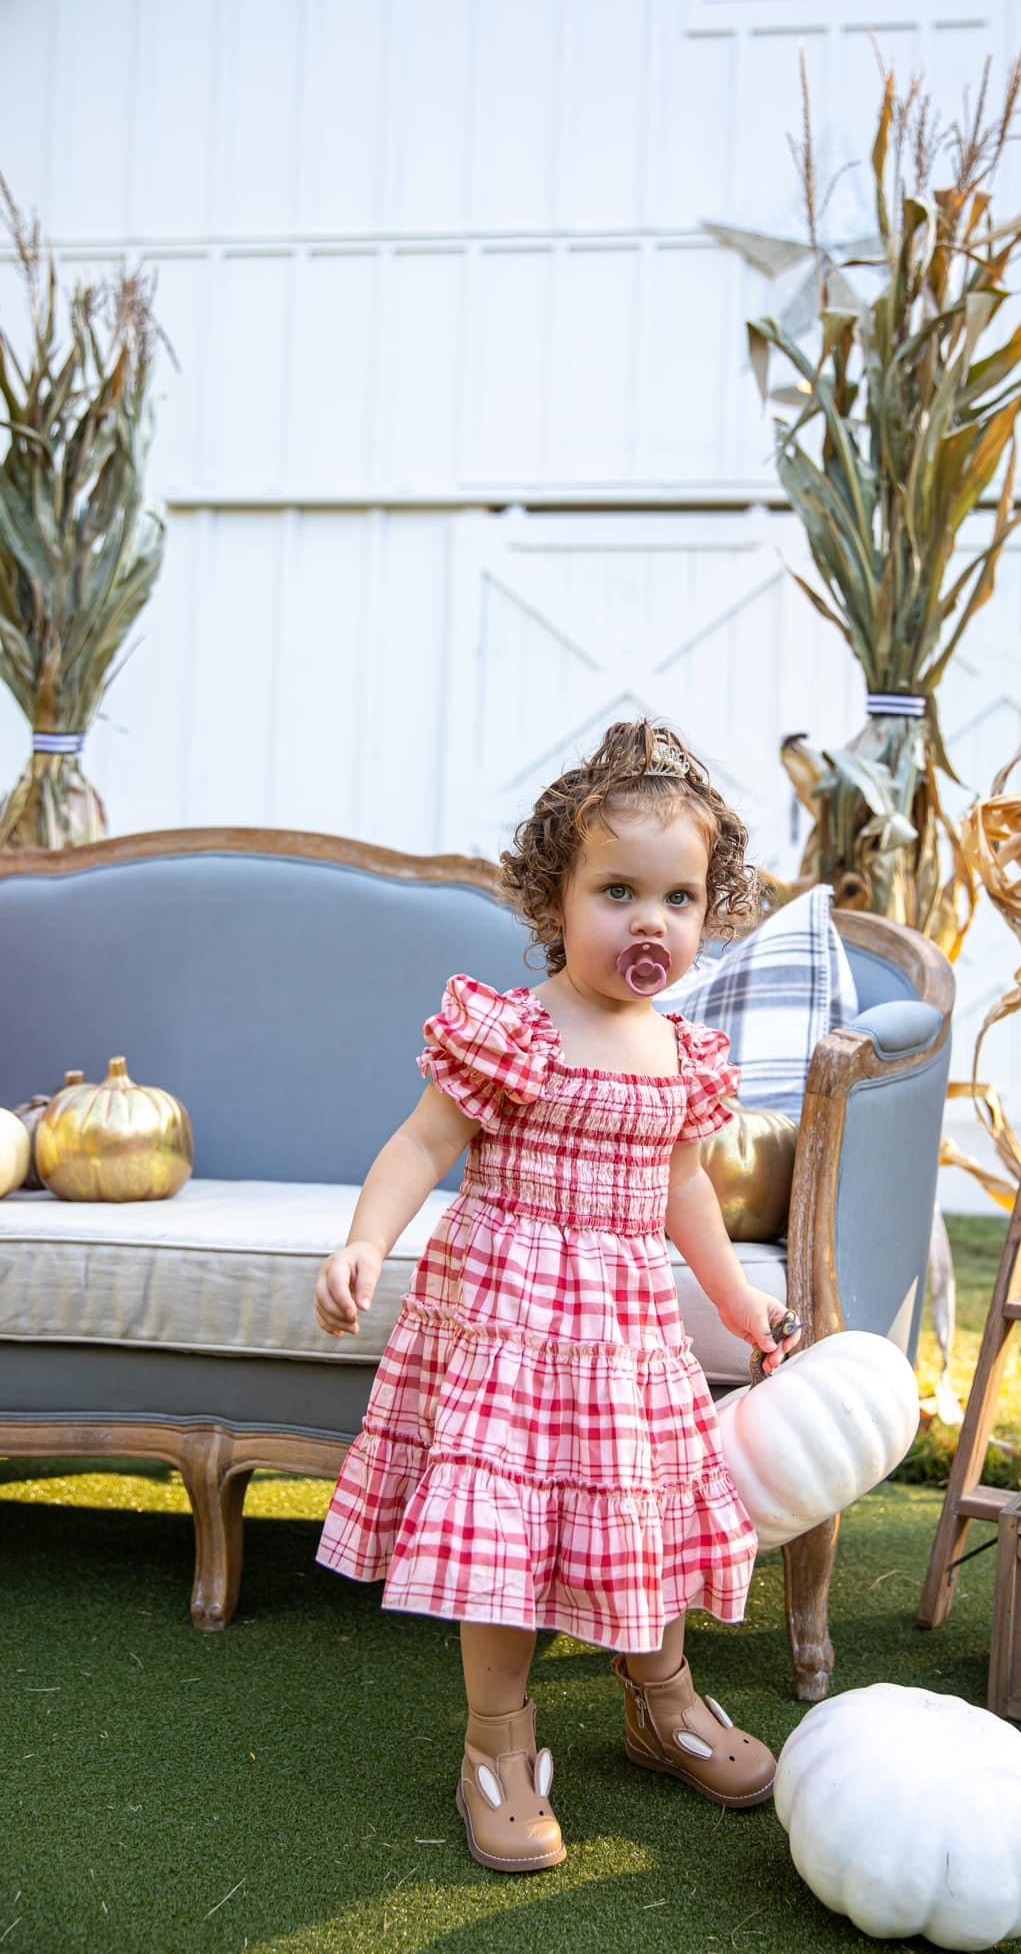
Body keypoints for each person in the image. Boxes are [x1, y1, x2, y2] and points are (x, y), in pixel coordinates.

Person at [312, 718, 802, 1874]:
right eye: (618, 890)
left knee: (642, 1510)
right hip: (509, 1318)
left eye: (678, 899)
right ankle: (497, 1739)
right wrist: (365, 1241)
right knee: (504, 1529)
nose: (649, 922)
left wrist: (732, 1300)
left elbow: (682, 1186)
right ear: (555, 895)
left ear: (706, 912)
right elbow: (419, 1144)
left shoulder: (682, 1053)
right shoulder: (515, 1030)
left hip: (625, 1329)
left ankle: (662, 1700)